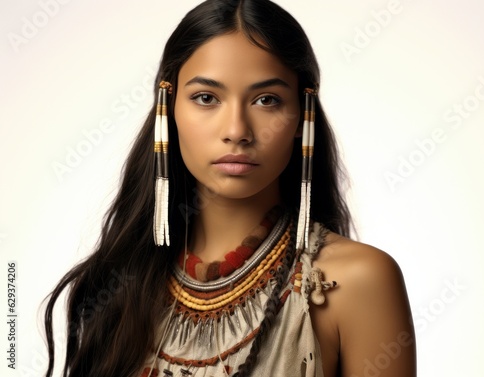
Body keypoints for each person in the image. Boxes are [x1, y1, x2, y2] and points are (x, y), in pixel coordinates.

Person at [43, 0, 416, 376]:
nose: (237, 130)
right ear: (167, 109)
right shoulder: (121, 280)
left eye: (266, 100)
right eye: (206, 98)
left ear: (304, 116)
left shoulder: (356, 281)